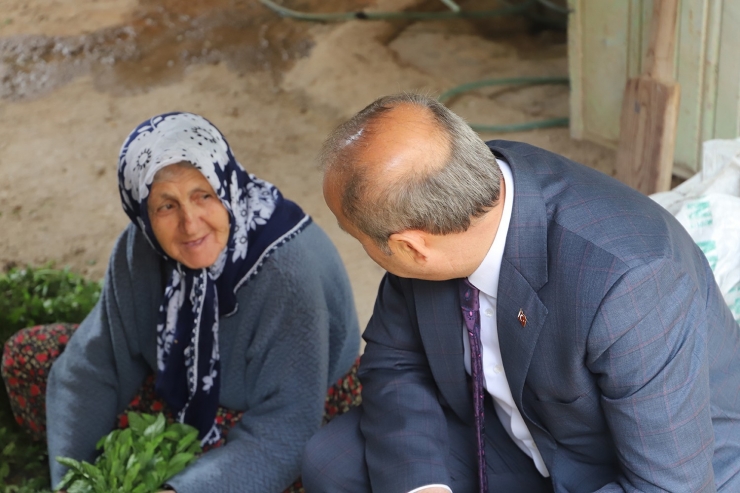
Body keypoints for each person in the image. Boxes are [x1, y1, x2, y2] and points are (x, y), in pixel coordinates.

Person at [301, 93, 740, 493]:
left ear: (408, 248)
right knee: (333, 461)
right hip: (516, 429)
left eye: (356, 237)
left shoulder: (633, 284)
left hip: (635, 467)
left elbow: (669, 485)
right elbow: (396, 361)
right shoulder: (440, 197)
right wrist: (423, 486)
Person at [2, 112, 360, 493]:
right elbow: (93, 366)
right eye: (166, 206)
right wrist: (75, 482)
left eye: (203, 195)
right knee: (27, 358)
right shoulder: (138, 250)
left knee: (313, 473)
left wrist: (178, 491)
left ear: (227, 187)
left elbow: (287, 426)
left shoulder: (287, 275)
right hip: (180, 386)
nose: (190, 224)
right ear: (142, 213)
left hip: (289, 412)